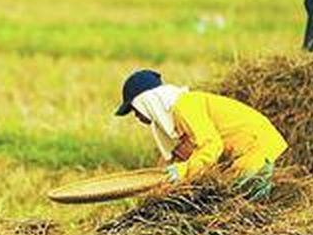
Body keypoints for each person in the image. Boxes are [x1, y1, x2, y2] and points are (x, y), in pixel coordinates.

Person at [114, 69, 287, 199]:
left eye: (135, 109)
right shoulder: (173, 118)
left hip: (253, 148)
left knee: (238, 205)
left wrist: (182, 172)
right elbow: (181, 154)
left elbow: (211, 145)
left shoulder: (184, 107)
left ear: (147, 102)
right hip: (243, 152)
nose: (136, 116)